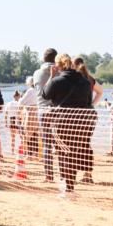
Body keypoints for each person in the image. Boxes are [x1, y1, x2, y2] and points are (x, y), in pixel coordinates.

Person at [44, 53, 95, 194]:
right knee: (73, 153)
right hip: (81, 123)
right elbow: (88, 102)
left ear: (58, 66)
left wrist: (51, 76)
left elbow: (45, 95)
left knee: (64, 153)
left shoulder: (56, 81)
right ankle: (69, 185)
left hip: (61, 122)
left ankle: (68, 187)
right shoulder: (85, 82)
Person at [33, 48, 59, 182]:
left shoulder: (37, 73)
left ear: (43, 58)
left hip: (42, 110)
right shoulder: (59, 71)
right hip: (58, 110)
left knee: (47, 144)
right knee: (62, 144)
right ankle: (65, 174)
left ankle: (49, 176)